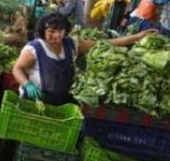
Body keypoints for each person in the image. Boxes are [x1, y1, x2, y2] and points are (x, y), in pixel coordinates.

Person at [12, 14, 155, 106]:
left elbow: (107, 43)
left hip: (62, 102)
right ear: (43, 31)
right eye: (51, 31)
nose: (56, 35)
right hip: (35, 101)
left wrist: (137, 37)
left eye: (60, 31)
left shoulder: (71, 44)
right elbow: (17, 68)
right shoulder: (34, 49)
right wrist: (27, 84)